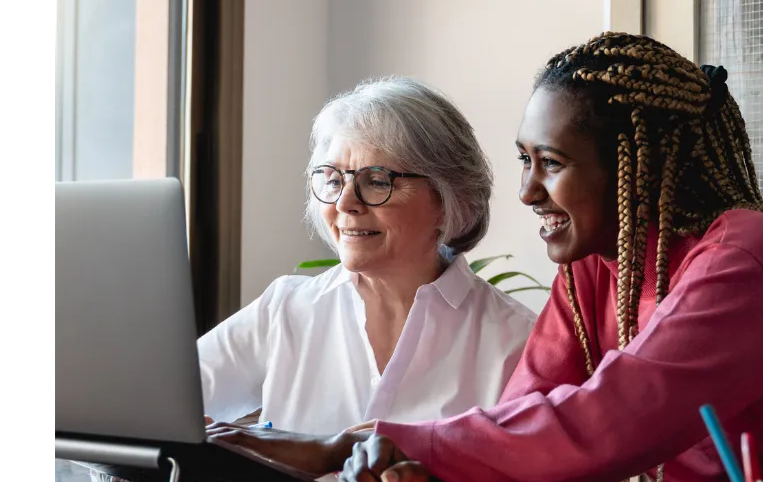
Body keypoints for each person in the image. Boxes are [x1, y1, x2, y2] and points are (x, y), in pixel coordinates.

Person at [210, 33, 763, 482]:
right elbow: (522, 420)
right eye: (524, 160)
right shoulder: (597, 270)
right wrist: (408, 470)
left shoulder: (749, 252)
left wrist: (360, 443)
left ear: (634, 168)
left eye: (550, 162)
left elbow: (609, 421)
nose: (526, 192)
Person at [201, 77, 536, 437]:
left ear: (448, 198)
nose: (345, 203)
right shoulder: (284, 310)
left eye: (377, 181)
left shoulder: (515, 340)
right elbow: (159, 405)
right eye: (332, 179)